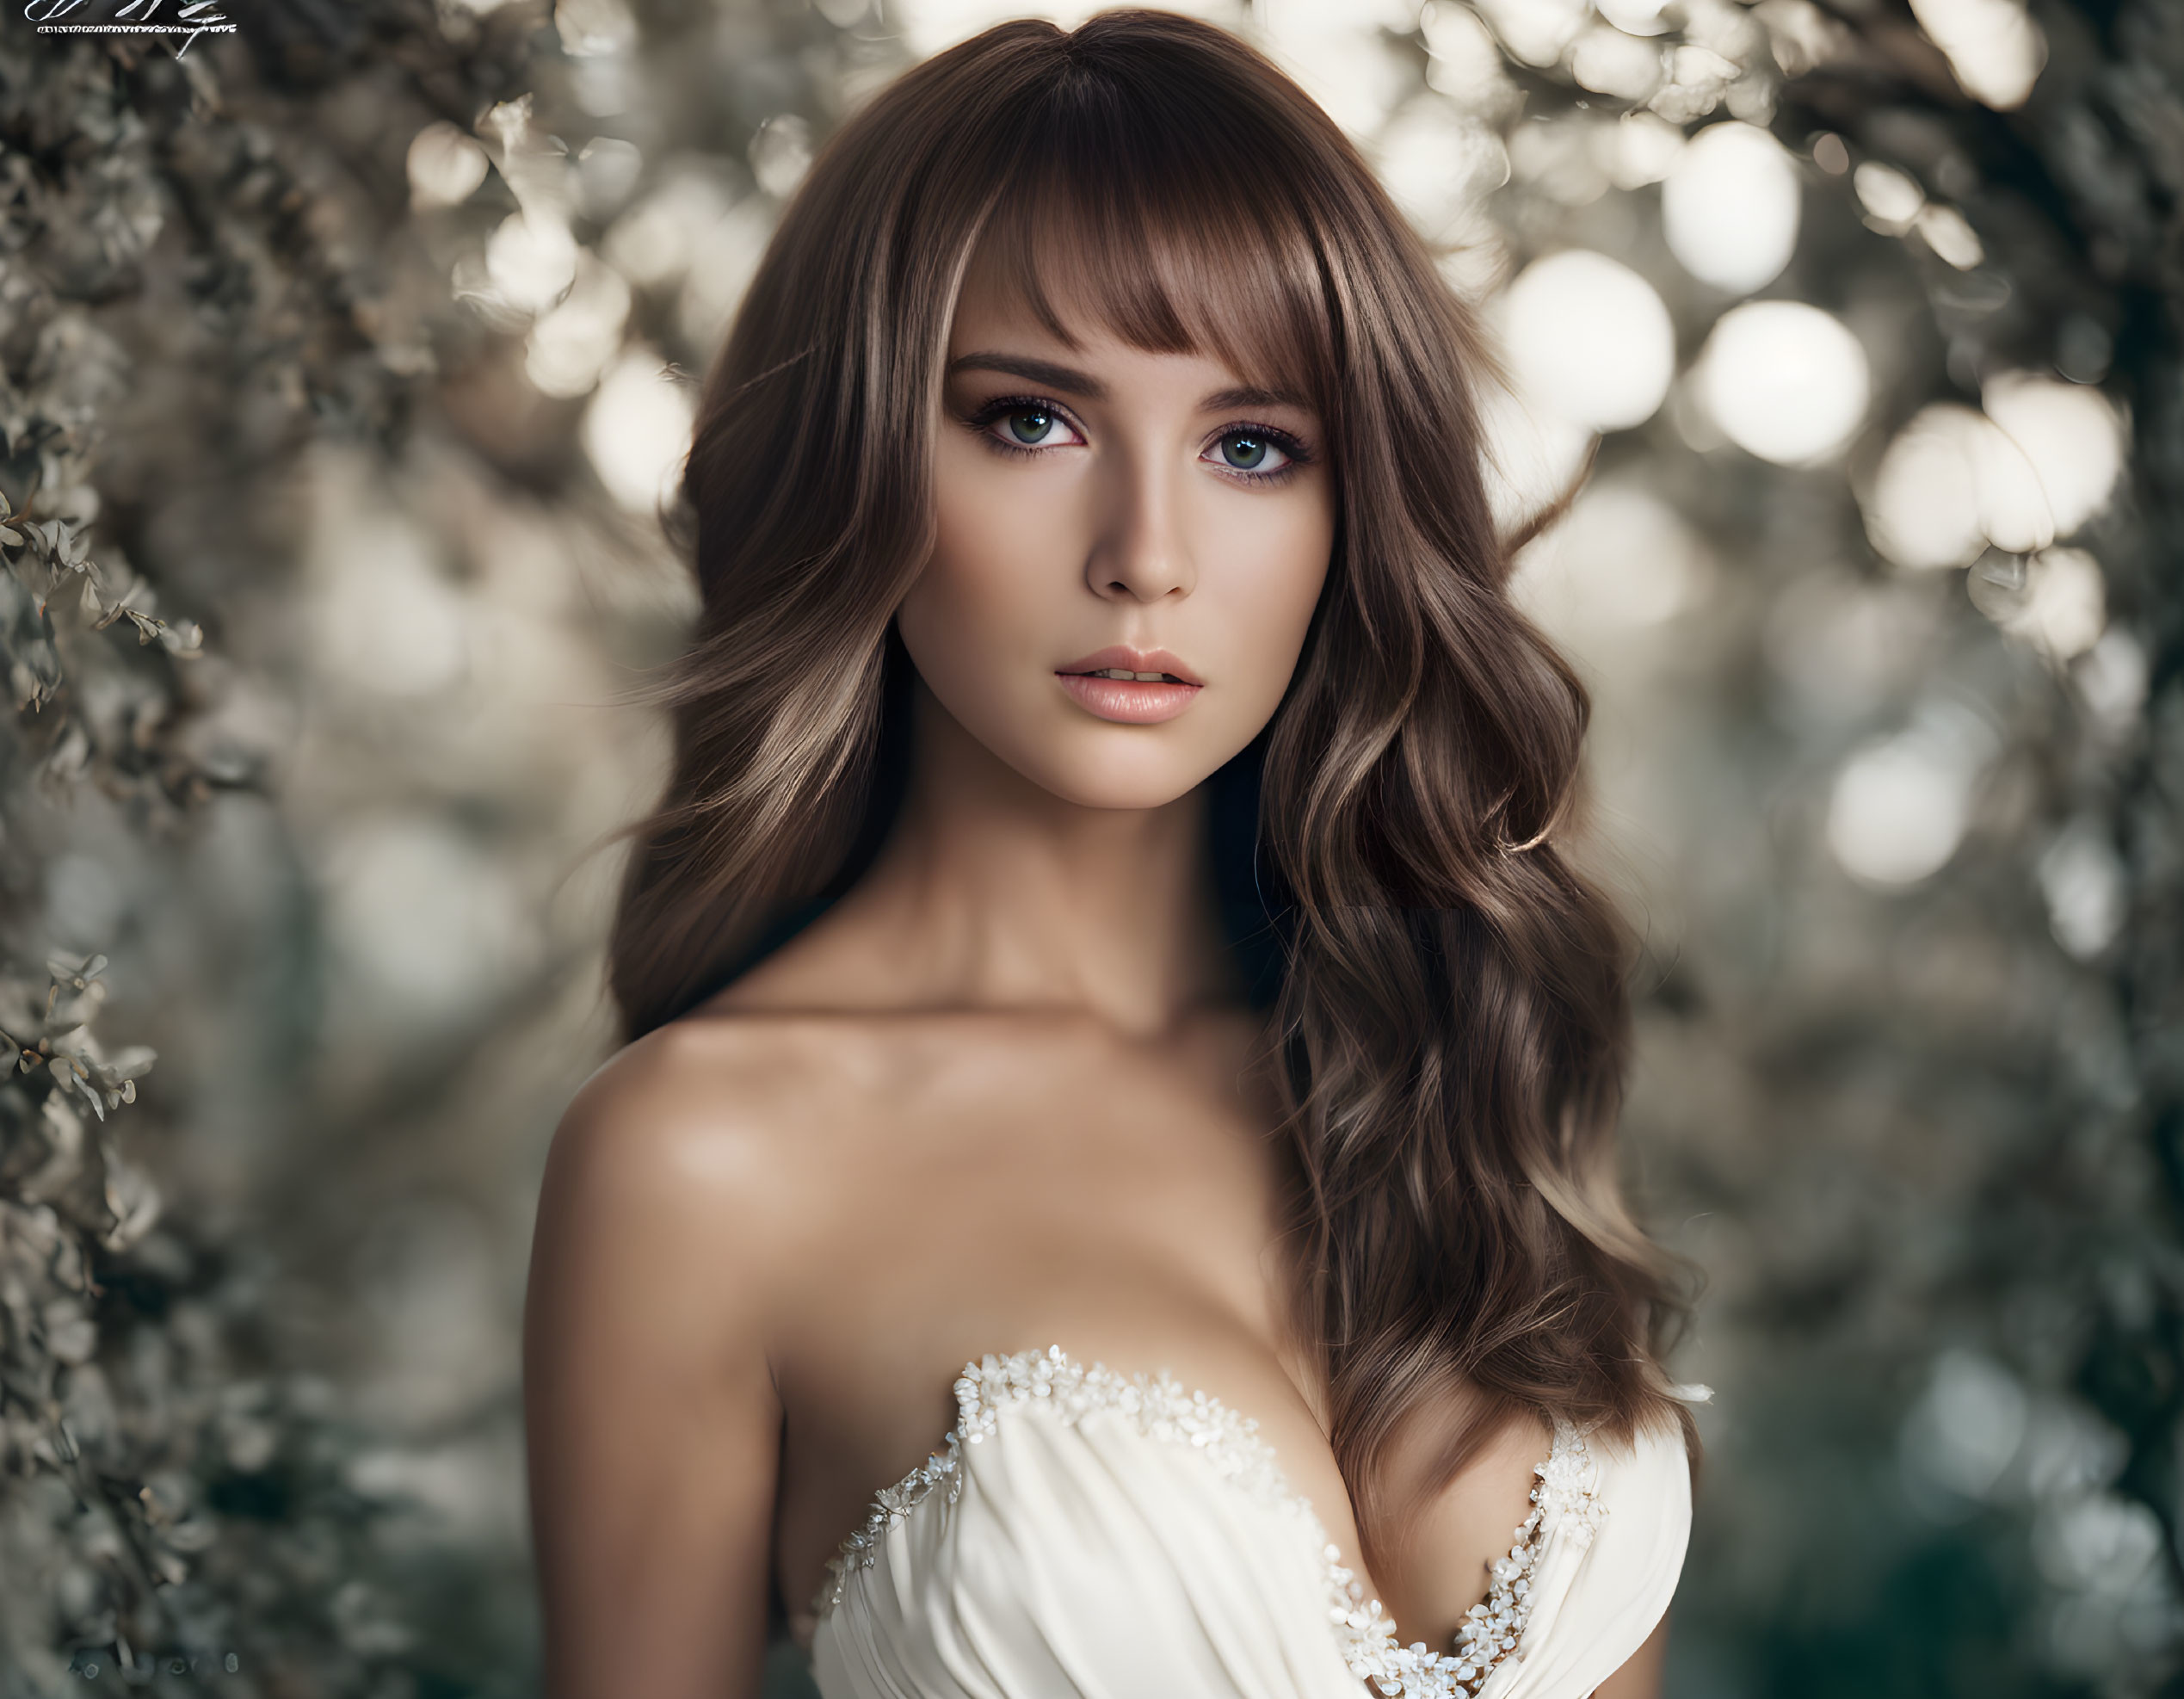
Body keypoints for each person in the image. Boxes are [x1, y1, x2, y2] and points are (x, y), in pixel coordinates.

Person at [522, 13, 1701, 1697]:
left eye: (1251, 446)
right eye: (1030, 422)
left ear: (1350, 503)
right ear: (859, 456)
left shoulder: (1454, 1051)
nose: (1147, 556)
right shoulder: (701, 1161)